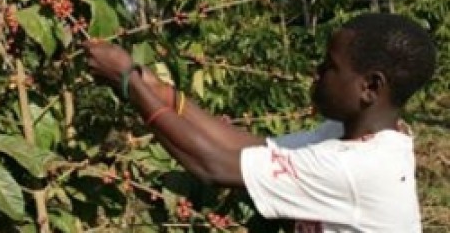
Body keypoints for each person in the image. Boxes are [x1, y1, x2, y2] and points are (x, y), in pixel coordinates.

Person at [82, 13, 436, 232]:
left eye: (330, 67)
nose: (317, 73)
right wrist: (162, 92)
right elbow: (247, 149)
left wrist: (127, 83)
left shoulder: (354, 168)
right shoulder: (349, 138)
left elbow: (214, 166)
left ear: (370, 87)